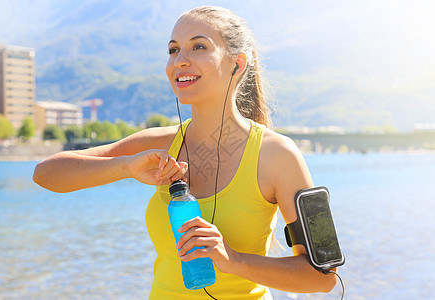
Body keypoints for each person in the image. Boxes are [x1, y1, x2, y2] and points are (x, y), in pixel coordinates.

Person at [33, 5, 338, 299]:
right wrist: (125, 166)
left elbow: (324, 276)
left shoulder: (279, 155)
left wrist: (234, 261)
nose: (179, 60)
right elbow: (45, 174)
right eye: (173, 49)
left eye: (199, 47)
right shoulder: (158, 143)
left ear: (237, 62)